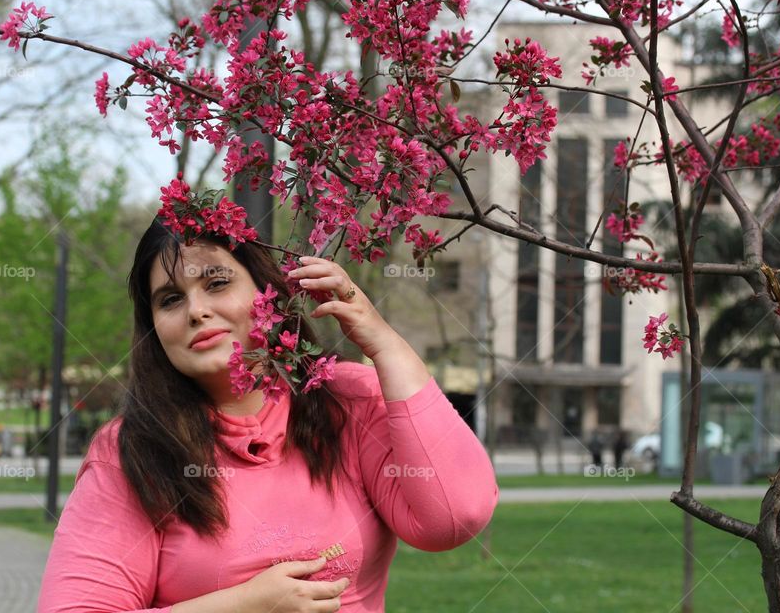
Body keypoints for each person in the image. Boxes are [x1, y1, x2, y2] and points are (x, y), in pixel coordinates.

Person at [37, 218, 498, 613]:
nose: (197, 311)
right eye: (170, 299)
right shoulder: (132, 451)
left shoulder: (346, 402)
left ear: (268, 294)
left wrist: (384, 344)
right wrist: (242, 605)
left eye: (217, 283)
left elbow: (454, 517)